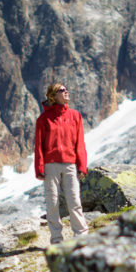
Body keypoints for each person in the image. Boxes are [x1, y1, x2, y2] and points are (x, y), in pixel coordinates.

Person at [34, 81, 89, 244]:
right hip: (50, 166)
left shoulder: (75, 115)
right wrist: (39, 168)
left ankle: (81, 235)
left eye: (66, 89)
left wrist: (82, 165)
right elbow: (38, 145)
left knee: (74, 201)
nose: (66, 92)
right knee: (52, 204)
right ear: (53, 95)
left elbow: (80, 143)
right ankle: (56, 239)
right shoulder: (43, 119)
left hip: (70, 164)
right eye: (61, 90)